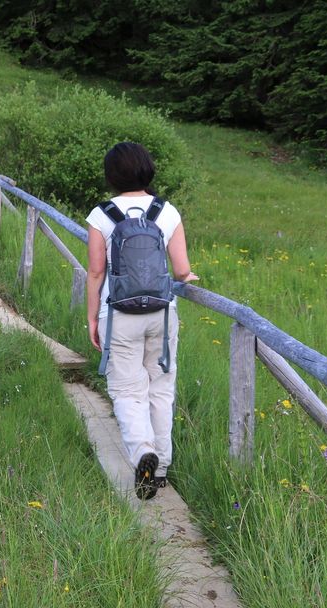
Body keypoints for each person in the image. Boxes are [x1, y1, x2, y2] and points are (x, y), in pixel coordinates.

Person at [85, 142, 198, 500]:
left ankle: (141, 452)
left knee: (126, 390)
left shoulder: (101, 215)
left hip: (118, 314)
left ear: (111, 175)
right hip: (162, 314)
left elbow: (95, 272)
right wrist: (189, 277)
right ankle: (160, 469)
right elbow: (181, 270)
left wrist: (92, 318)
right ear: (147, 169)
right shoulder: (167, 211)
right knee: (161, 389)